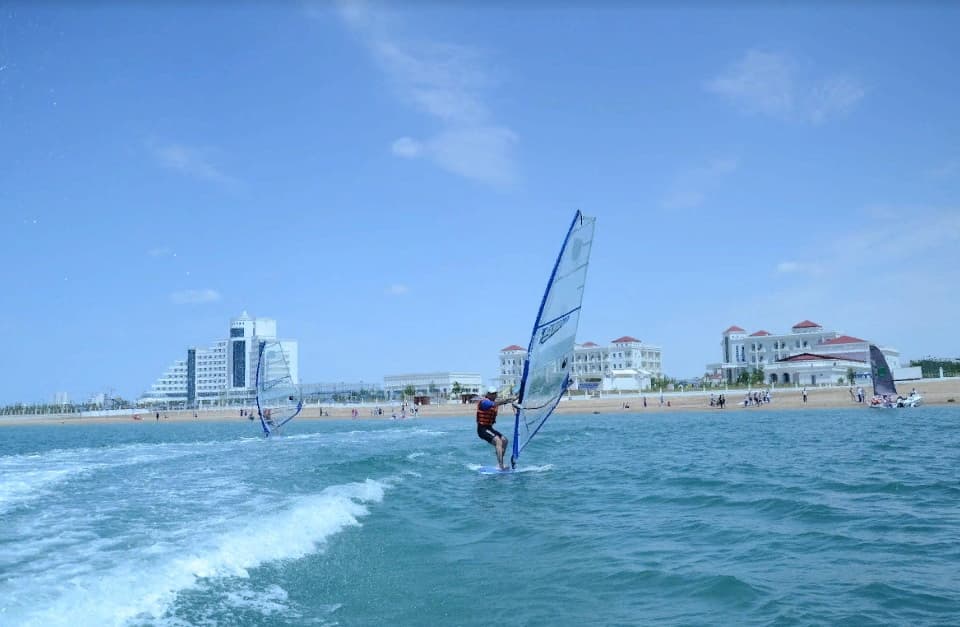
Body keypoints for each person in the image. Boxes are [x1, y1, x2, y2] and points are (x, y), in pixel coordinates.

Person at [476, 386, 517, 470]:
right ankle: (501, 466)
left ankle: (499, 462)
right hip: (482, 429)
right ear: (488, 394)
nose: (493, 395)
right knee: (498, 441)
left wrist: (514, 399)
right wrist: (508, 400)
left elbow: (500, 402)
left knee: (504, 440)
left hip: (489, 428)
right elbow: (495, 404)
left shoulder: (494, 401)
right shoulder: (484, 402)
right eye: (492, 394)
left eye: (495, 393)